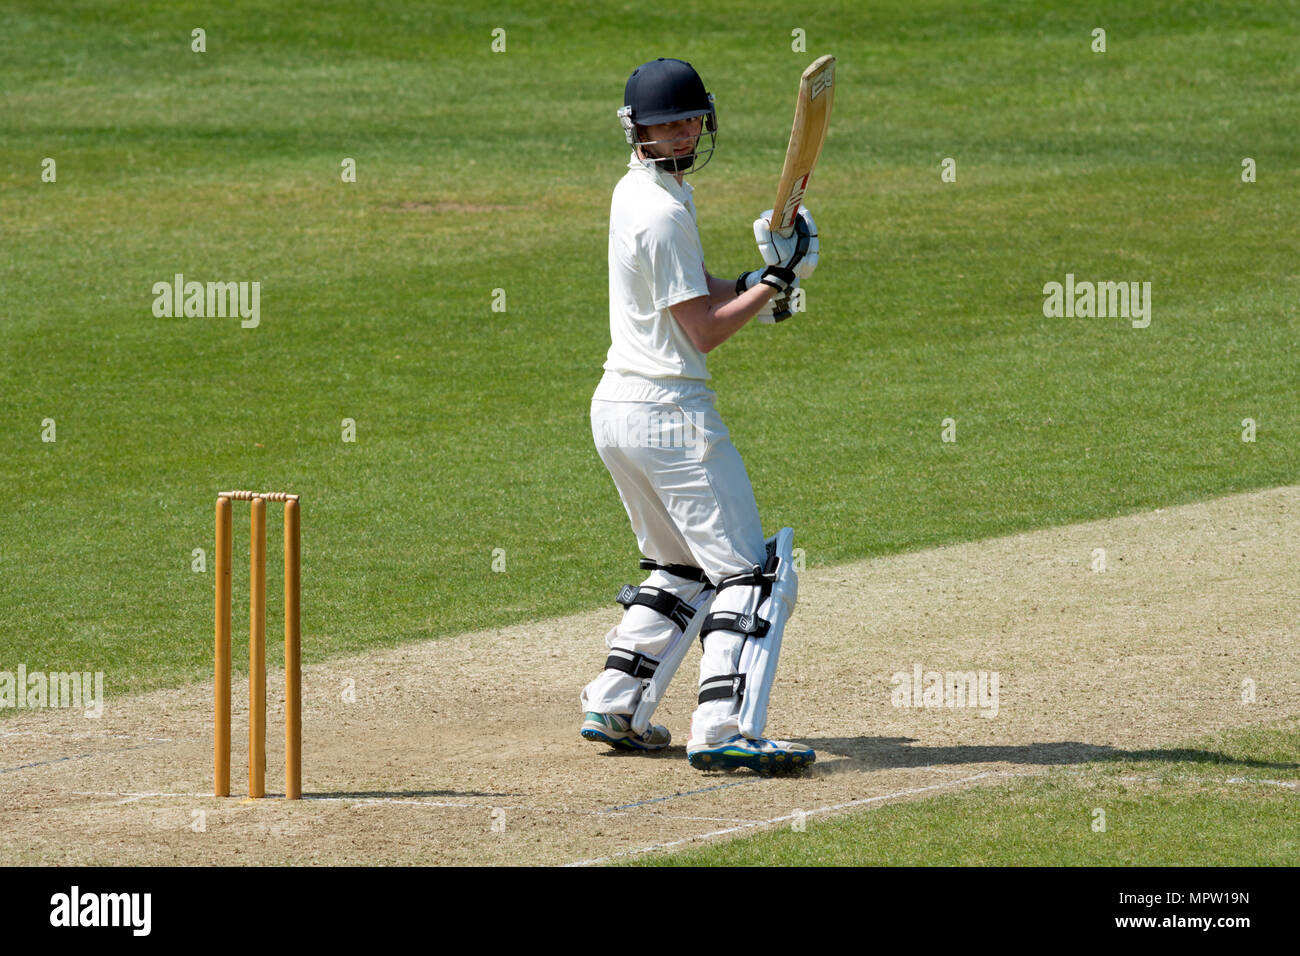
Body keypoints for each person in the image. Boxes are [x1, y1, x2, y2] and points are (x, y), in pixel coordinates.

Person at [579, 57, 819, 773]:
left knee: (678, 565)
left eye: (688, 120)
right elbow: (704, 329)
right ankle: (725, 728)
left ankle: (615, 701)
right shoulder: (660, 211)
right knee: (752, 573)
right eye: (665, 124)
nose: (680, 133)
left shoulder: (640, 191)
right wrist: (776, 280)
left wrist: (753, 282)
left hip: (617, 410)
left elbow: (696, 292)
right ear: (637, 130)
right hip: (669, 415)